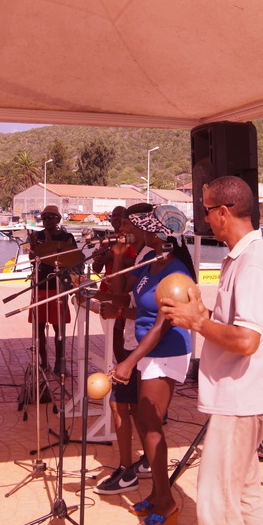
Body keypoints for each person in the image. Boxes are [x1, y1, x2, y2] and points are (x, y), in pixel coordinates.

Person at [160, 176, 263, 525]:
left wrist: (198, 323)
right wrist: (202, 314)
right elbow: (237, 326)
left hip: (242, 400)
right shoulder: (242, 258)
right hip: (243, 399)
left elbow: (246, 341)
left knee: (216, 501)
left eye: (206, 211)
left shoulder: (253, 262)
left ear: (223, 212)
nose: (204, 219)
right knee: (243, 493)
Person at [110, 205, 195, 525]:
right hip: (148, 351)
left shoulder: (175, 272)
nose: (139, 232)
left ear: (158, 234)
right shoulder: (151, 263)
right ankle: (158, 494)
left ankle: (167, 502)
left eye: (144, 228)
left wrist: (129, 361)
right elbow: (126, 298)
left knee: (150, 423)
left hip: (167, 351)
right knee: (147, 425)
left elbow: (162, 325)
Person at [94, 202, 154, 495]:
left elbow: (155, 314)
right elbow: (120, 293)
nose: (122, 228)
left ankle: (128, 470)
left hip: (146, 346)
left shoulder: (154, 259)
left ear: (143, 226)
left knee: (124, 405)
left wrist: (119, 312)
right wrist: (117, 256)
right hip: (135, 340)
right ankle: (142, 463)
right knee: (130, 406)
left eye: (128, 224)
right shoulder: (140, 256)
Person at [28, 204, 78, 374]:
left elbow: (73, 258)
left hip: (58, 285)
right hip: (40, 285)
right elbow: (32, 259)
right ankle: (43, 363)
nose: (47, 221)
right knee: (39, 327)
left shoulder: (67, 237)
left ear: (58, 219)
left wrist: (50, 244)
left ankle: (59, 363)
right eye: (44, 218)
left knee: (59, 328)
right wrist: (34, 247)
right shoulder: (37, 236)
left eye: (50, 218)